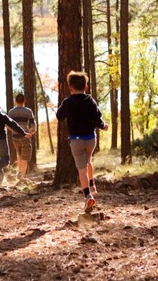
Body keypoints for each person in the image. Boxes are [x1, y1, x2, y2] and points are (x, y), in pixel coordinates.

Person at [56, 71, 108, 213]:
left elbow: (59, 116)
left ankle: (88, 196)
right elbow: (98, 118)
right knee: (88, 160)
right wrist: (104, 126)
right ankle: (92, 185)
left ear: (70, 88)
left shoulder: (68, 102)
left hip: (76, 140)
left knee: (82, 169)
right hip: (91, 139)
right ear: (86, 87)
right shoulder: (90, 100)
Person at [7, 93, 36, 184]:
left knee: (19, 155)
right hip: (25, 136)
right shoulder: (28, 111)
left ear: (15, 101)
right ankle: (22, 177)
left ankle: (20, 174)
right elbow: (32, 123)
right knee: (25, 158)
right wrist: (32, 131)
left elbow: (8, 124)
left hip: (15, 137)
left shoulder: (11, 112)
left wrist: (13, 131)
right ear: (24, 101)